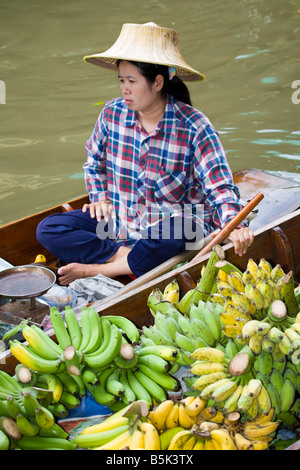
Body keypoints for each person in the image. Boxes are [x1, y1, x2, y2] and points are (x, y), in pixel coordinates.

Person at [36, 22, 254, 286]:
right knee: (49, 228)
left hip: (171, 230)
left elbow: (219, 187)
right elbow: (93, 163)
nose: (124, 89)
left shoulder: (196, 127)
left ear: (158, 82)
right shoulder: (111, 114)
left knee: (178, 230)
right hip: (120, 224)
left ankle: (96, 270)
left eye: (131, 81)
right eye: (121, 80)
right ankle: (128, 261)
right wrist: (101, 198)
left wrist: (235, 225)